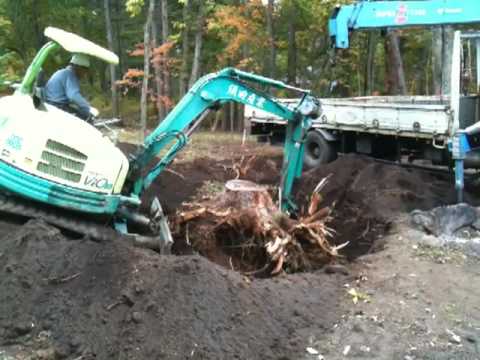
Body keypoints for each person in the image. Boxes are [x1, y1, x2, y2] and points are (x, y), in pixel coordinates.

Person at [44, 53, 98, 121]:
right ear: (79, 67)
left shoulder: (63, 72)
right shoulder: (70, 74)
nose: (85, 74)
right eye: (85, 71)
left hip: (52, 104)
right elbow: (73, 95)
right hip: (57, 106)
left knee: (79, 111)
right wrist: (88, 108)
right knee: (84, 117)